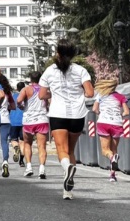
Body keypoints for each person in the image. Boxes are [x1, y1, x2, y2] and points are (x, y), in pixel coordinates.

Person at [38, 40, 93, 200]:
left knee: (62, 150)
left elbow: (42, 95)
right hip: (77, 115)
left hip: (58, 114)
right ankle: (67, 190)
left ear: (58, 53)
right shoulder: (81, 70)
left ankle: (67, 168)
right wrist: (76, 94)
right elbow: (90, 93)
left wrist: (54, 94)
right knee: (70, 150)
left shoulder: (49, 70)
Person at [92, 77, 130, 183]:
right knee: (114, 149)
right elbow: (126, 112)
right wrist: (119, 115)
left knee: (105, 150)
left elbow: (94, 109)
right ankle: (112, 175)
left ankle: (112, 159)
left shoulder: (101, 95)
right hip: (117, 124)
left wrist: (101, 114)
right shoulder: (121, 97)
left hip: (103, 122)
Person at [18, 71, 49, 177]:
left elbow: (19, 100)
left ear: (30, 79)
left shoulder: (26, 89)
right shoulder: (45, 90)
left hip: (29, 121)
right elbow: (49, 102)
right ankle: (42, 169)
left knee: (27, 144)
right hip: (42, 120)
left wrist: (21, 106)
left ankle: (29, 167)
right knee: (42, 146)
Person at [0, 74, 16, 178]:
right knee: (4, 142)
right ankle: (5, 162)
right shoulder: (8, 93)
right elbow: (13, 106)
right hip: (5, 119)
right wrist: (6, 107)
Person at [8, 81, 25, 166]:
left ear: (17, 88)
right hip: (24, 122)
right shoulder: (26, 96)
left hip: (13, 121)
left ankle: (15, 147)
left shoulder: (12, 96)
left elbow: (8, 107)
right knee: (22, 141)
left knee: (13, 139)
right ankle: (21, 161)